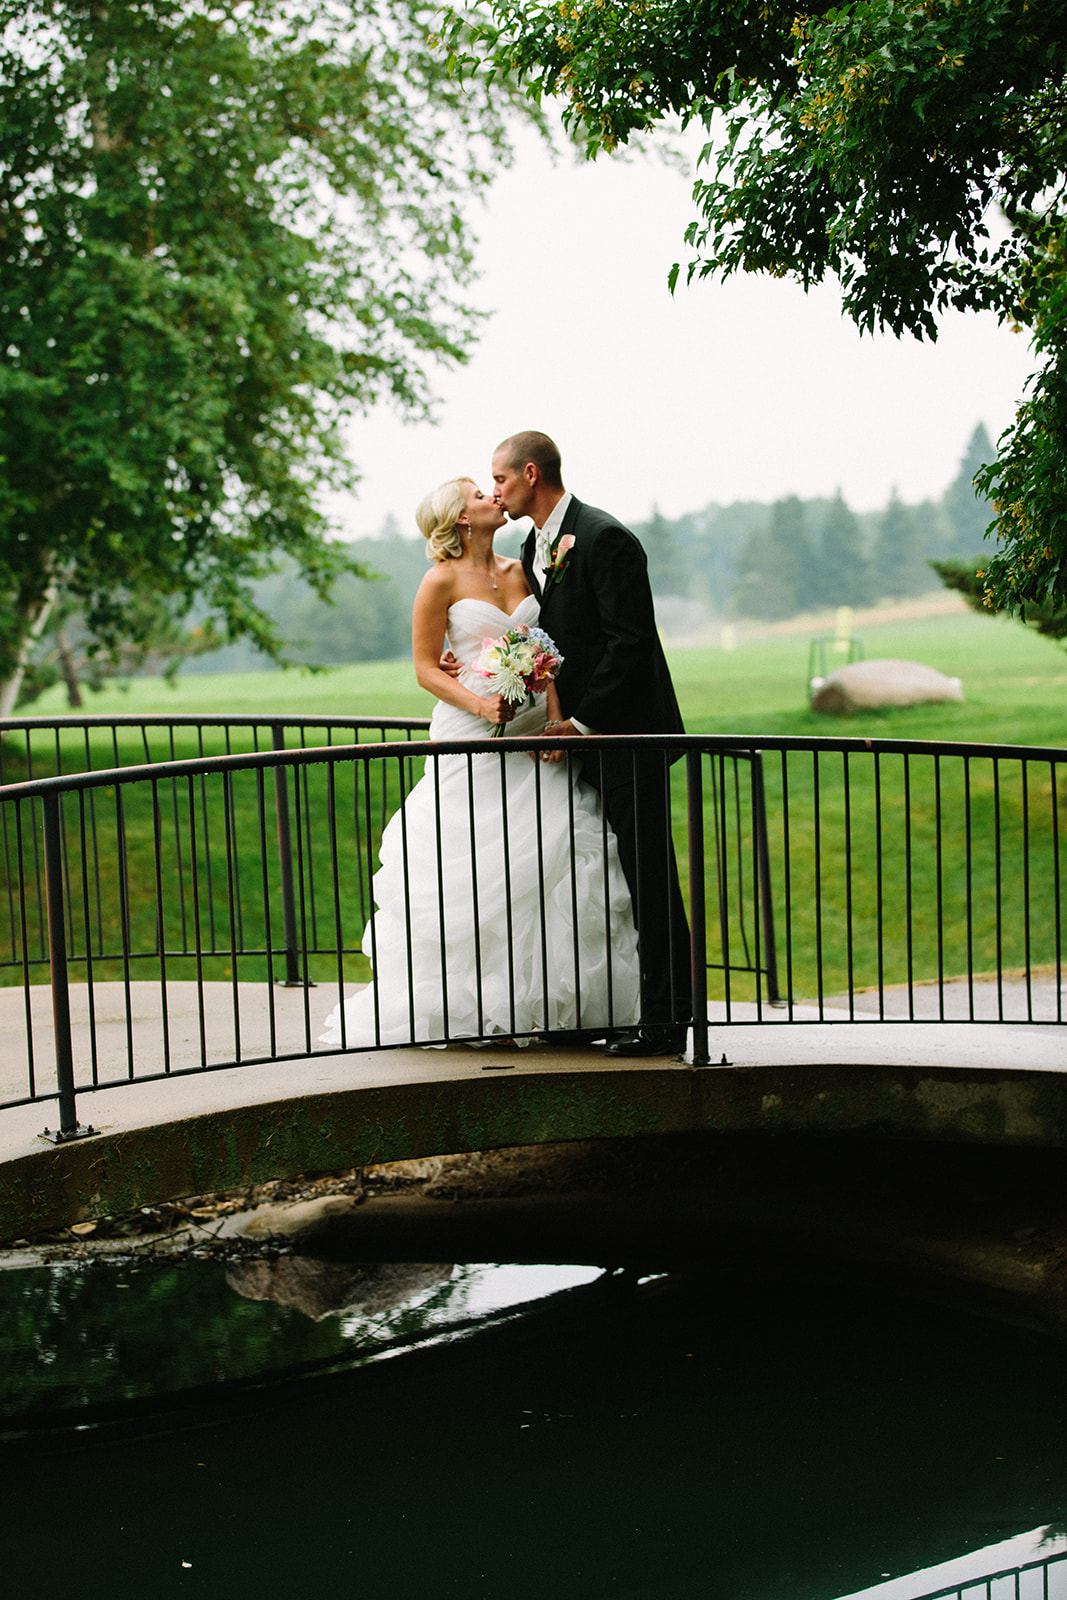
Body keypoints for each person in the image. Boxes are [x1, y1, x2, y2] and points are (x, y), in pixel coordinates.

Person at [320, 476, 641, 1050]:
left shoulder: (522, 569)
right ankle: (476, 1010)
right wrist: (479, 702)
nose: (492, 496)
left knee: (558, 859)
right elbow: (423, 666)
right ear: (461, 518)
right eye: (478, 494)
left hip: (536, 737)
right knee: (475, 867)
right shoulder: (439, 580)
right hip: (472, 733)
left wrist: (557, 721)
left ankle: (561, 1009)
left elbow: (547, 655)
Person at [490, 431, 692, 1057]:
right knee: (609, 877)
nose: (495, 491)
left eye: (500, 479)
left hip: (631, 738)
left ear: (530, 473)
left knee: (650, 878)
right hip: (579, 741)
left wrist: (579, 724)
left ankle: (667, 1022)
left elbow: (629, 643)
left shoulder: (606, 538)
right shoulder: (532, 544)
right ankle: (618, 1007)